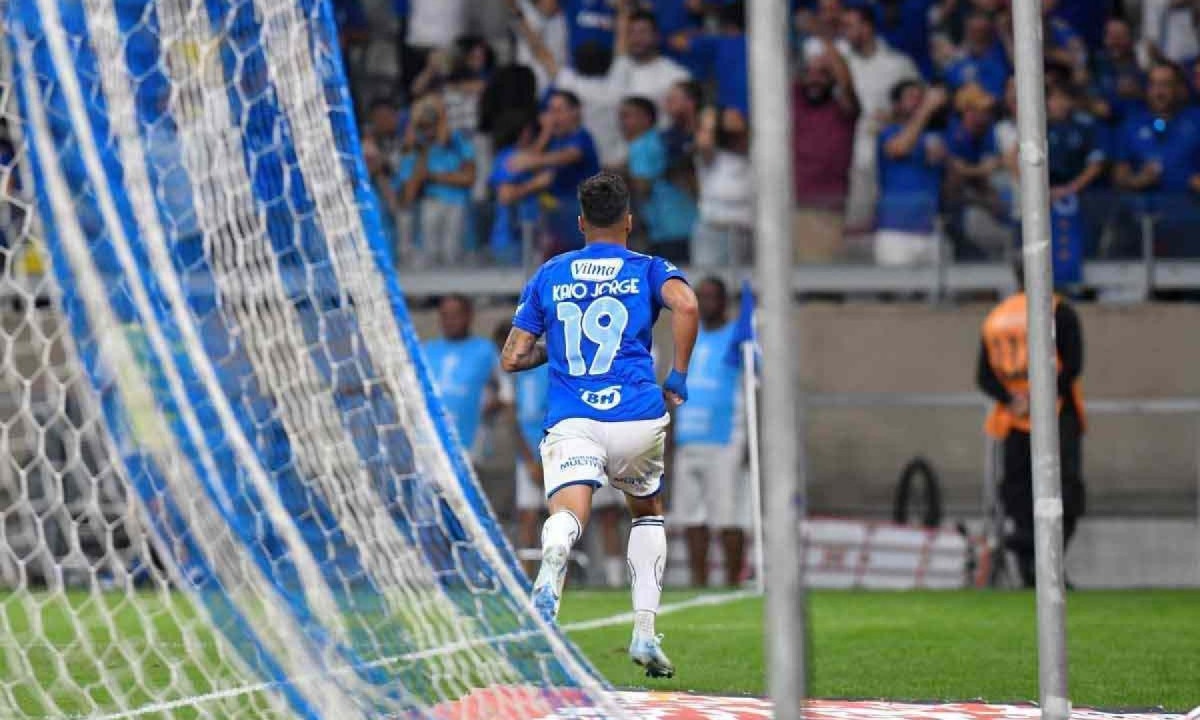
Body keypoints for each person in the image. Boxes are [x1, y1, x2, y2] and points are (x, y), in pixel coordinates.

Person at [500, 171, 699, 678]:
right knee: (646, 510)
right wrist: (677, 374)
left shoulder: (551, 272)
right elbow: (688, 305)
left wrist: (559, 352)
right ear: (629, 221)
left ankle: (555, 552)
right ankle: (644, 631)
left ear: (581, 221)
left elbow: (514, 356)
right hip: (635, 414)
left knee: (569, 512)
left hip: (574, 419)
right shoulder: (649, 267)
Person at [977, 265, 1085, 589]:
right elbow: (1074, 365)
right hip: (1056, 415)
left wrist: (1014, 399)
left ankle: (1029, 568)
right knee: (1066, 493)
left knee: (1019, 495)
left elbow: (983, 376)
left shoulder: (997, 318)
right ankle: (1045, 566)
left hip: (1013, 419)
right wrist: (1038, 396)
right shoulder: (1059, 311)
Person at [671, 277, 747, 588]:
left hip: (723, 437)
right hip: (688, 437)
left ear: (724, 301)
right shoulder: (688, 336)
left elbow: (755, 383)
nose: (706, 303)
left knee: (727, 516)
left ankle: (732, 582)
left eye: (712, 297)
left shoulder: (737, 338)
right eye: (700, 297)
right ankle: (698, 582)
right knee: (691, 518)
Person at [874, 80, 949, 266]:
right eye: (911, 97)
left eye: (920, 97)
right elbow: (899, 149)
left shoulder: (936, 135)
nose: (918, 101)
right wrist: (926, 108)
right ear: (897, 104)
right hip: (896, 232)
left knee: (937, 293)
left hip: (930, 230)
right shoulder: (888, 132)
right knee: (896, 290)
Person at [423, 295, 506, 460]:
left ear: (469, 316)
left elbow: (507, 391)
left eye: (455, 315)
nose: (449, 320)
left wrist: (493, 404)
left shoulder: (486, 350)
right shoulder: (426, 350)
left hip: (470, 444)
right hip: (431, 444)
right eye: (444, 315)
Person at [621, 96, 698, 262]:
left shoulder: (640, 145)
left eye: (628, 116)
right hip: (686, 221)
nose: (623, 122)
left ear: (646, 118)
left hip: (666, 227)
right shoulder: (660, 140)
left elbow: (642, 187)